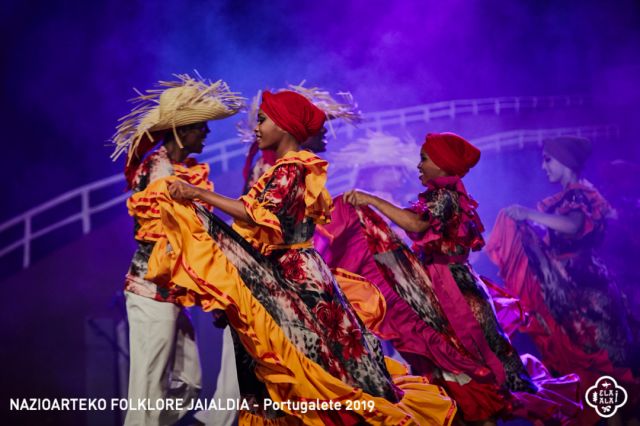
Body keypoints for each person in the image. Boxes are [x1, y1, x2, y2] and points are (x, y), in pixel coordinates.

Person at [147, 91, 457, 425]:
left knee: (306, 372)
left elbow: (256, 214)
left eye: (264, 120)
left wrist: (198, 193)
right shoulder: (282, 169)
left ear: (284, 126)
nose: (257, 127)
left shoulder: (293, 168)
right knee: (284, 371)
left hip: (296, 283)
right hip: (280, 277)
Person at [344, 132, 581, 424]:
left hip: (456, 295)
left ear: (443, 165)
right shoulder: (443, 195)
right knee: (466, 375)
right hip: (447, 288)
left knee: (473, 372)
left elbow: (416, 224)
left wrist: (371, 200)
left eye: (424, 159)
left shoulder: (445, 196)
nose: (418, 166)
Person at [110, 73, 242, 425]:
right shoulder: (159, 170)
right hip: (151, 289)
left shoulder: (184, 170)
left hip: (169, 292)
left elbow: (192, 237)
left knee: (188, 383)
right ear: (182, 132)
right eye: (201, 127)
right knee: (148, 390)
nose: (207, 133)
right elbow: (167, 237)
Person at [486, 136, 640, 424]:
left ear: (566, 162)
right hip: (575, 292)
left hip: (589, 294)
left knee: (601, 367)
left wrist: (528, 213)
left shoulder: (579, 196)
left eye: (548, 159)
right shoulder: (574, 196)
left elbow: (575, 224)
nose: (543, 166)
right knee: (595, 371)